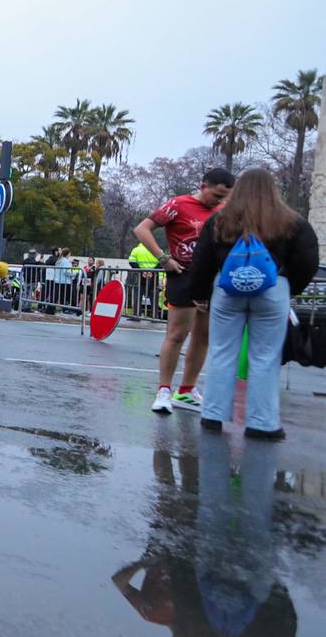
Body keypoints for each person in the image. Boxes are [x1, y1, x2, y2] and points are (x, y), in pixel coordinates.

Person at [188, 168, 318, 440]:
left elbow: (202, 259)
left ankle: (212, 415)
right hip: (273, 289)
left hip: (227, 289)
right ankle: (262, 423)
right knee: (265, 357)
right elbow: (307, 260)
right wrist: (288, 287)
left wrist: (200, 292)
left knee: (222, 352)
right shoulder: (290, 221)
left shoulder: (220, 220)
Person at [134, 168, 235, 414]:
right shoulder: (179, 204)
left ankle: (187, 390)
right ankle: (164, 390)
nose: (219, 201)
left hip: (213, 278)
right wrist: (163, 258)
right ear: (204, 187)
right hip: (183, 273)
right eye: (216, 195)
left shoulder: (223, 211)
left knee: (204, 336)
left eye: (225, 197)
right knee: (177, 334)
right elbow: (141, 229)